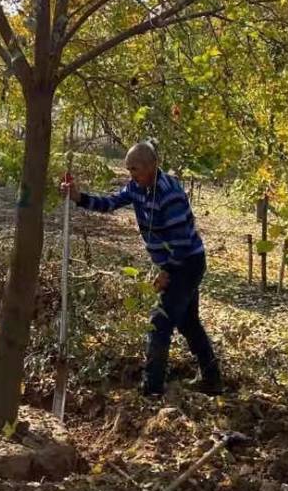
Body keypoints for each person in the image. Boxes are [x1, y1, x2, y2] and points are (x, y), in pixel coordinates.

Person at [62, 141, 223, 398]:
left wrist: (167, 273)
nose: (131, 175)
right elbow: (111, 203)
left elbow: (181, 242)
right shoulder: (137, 187)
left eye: (134, 169)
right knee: (189, 322)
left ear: (152, 166)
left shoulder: (169, 194)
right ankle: (213, 378)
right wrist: (79, 198)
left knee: (160, 322)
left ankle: (151, 390)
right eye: (128, 169)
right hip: (174, 263)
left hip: (187, 263)